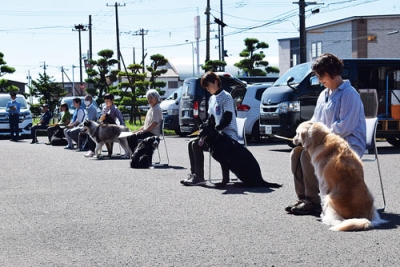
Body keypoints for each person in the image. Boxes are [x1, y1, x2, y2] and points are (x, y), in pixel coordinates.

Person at [285, 53, 366, 215]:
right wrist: (306, 135)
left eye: (321, 75)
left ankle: (312, 200)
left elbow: (345, 127)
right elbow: (315, 121)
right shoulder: (324, 94)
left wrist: (318, 139)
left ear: (333, 72)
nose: (319, 79)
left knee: (307, 155)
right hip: (326, 142)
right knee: (296, 152)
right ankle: (303, 197)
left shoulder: (349, 94)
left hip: (347, 143)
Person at [180, 71, 238, 186]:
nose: (207, 89)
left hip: (227, 136)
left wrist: (214, 130)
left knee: (196, 144)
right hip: (216, 135)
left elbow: (227, 119)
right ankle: (194, 174)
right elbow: (210, 119)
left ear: (216, 82)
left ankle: (199, 177)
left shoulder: (226, 97)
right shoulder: (212, 99)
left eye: (208, 86)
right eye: (205, 87)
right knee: (192, 142)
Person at [84, 93, 125, 157]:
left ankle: (110, 152)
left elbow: (121, 119)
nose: (106, 102)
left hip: (112, 128)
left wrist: (122, 128)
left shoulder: (115, 109)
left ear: (112, 100)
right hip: (104, 127)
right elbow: (101, 118)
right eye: (105, 101)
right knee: (104, 140)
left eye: (108, 101)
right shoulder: (104, 108)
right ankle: (107, 152)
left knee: (111, 141)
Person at [126, 89, 163, 154]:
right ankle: (136, 154)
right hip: (148, 131)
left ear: (156, 98)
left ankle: (136, 154)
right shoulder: (151, 109)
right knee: (131, 135)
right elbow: (146, 125)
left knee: (131, 138)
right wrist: (137, 131)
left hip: (153, 133)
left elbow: (154, 123)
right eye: (148, 98)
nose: (149, 100)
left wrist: (144, 131)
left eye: (151, 98)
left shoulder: (157, 109)